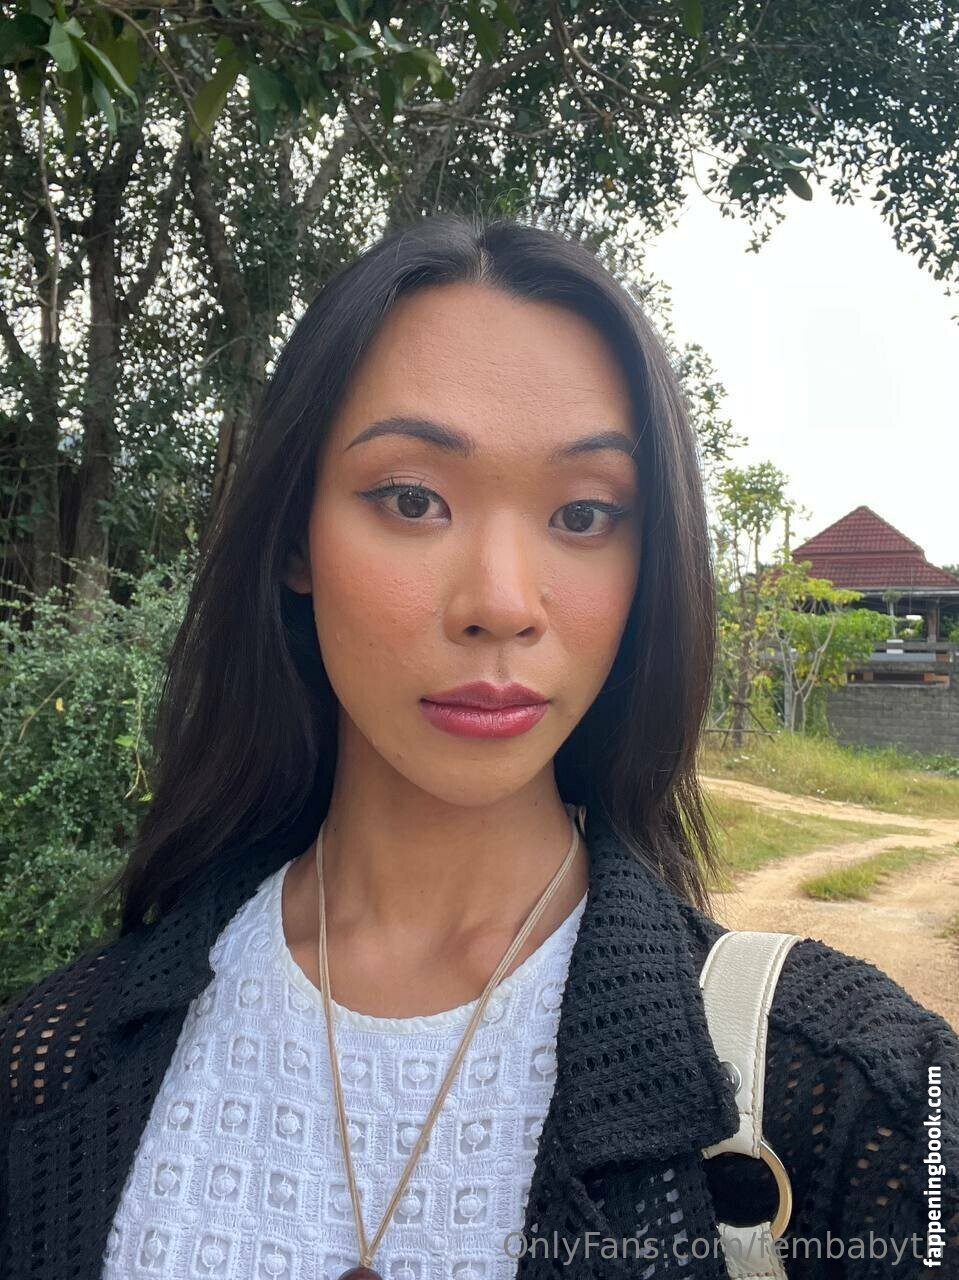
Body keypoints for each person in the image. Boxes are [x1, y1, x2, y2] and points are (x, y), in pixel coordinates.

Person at [0, 214, 955, 1280]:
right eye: (412, 499)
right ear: (292, 538)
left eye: (583, 513)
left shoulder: (861, 1097)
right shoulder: (52, 1066)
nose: (500, 603)